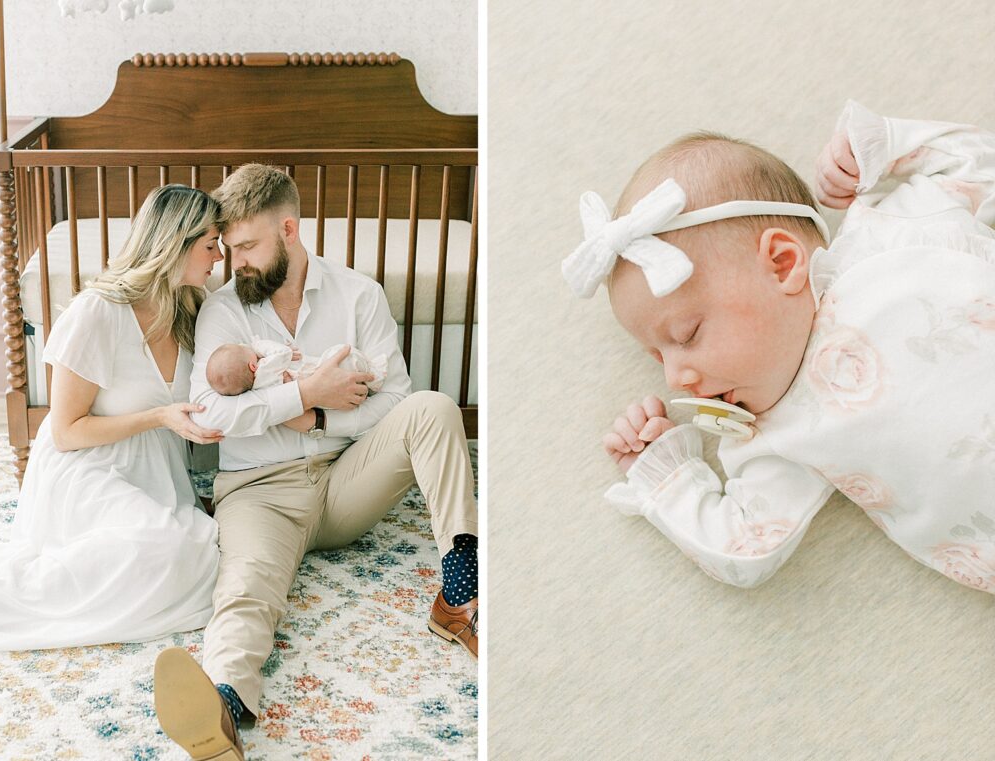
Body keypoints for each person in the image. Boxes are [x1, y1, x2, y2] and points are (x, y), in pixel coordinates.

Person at [563, 100, 995, 592]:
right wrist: (666, 474)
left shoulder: (893, 231)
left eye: (686, 336)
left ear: (782, 263)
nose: (675, 378)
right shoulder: (775, 433)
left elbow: (978, 163)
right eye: (659, 356)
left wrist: (885, 148)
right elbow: (745, 550)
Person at [153, 164, 478, 761]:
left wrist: (323, 420)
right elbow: (207, 414)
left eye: (247, 246)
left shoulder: (359, 294)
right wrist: (304, 396)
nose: (235, 261)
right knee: (248, 587)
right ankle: (223, 707)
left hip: (345, 478)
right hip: (258, 490)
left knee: (433, 407)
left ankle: (461, 589)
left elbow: (398, 400)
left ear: (289, 229)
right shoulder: (223, 310)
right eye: (228, 248)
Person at [0, 184, 226, 649]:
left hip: (152, 472)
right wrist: (159, 417)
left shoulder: (193, 307)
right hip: (87, 467)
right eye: (211, 244)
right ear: (176, 242)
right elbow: (66, 431)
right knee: (169, 550)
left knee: (205, 558)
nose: (220, 257)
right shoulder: (99, 312)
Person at [205, 337, 387, 396]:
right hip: (320, 377)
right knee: (342, 353)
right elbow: (282, 353)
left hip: (320, 394)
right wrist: (258, 345)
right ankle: (374, 378)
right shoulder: (264, 368)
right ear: (253, 366)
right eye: (244, 349)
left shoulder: (258, 388)